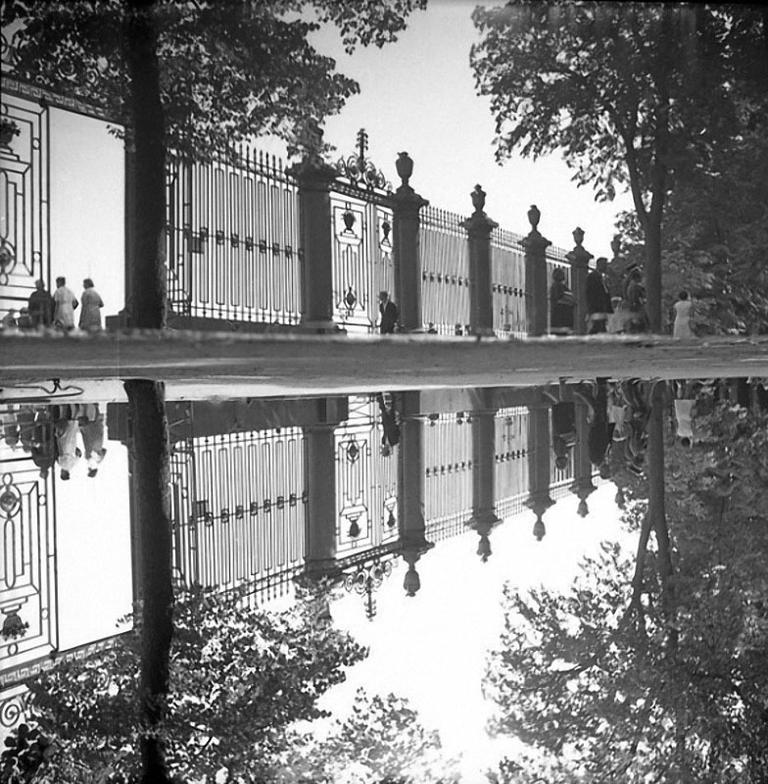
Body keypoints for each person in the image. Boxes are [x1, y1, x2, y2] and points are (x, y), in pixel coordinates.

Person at [586, 257, 613, 334]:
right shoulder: (593, 276)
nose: (606, 267)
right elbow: (591, 293)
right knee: (597, 326)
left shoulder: (602, 276)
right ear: (599, 265)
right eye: (605, 265)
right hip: (597, 306)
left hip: (601, 306)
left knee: (600, 326)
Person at [549, 267, 574, 336]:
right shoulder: (558, 286)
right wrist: (570, 300)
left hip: (562, 314)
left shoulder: (559, 286)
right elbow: (559, 297)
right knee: (561, 334)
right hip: (561, 315)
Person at [625, 268, 648, 334]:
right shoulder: (636, 287)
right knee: (640, 325)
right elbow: (638, 298)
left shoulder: (629, 286)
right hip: (637, 307)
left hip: (632, 307)